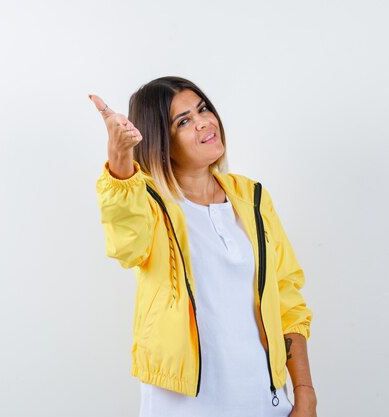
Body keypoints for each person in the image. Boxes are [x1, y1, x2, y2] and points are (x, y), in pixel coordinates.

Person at [89, 76, 317, 417]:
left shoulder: (252, 198)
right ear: (161, 142)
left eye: (203, 109)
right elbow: (127, 246)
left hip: (265, 401)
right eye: (184, 121)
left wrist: (304, 393)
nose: (204, 123)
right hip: (184, 407)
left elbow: (287, 299)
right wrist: (121, 162)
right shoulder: (151, 204)